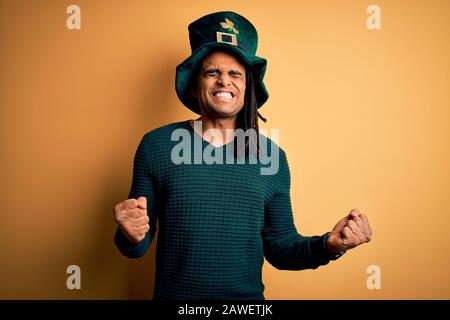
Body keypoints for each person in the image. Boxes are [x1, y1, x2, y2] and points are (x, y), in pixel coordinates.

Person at [113, 11, 372, 300]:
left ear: (248, 86)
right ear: (196, 85)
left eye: (235, 73)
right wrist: (130, 234)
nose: (224, 81)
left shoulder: (272, 157)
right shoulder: (157, 145)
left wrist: (330, 245)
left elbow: (280, 247)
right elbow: (136, 245)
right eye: (212, 72)